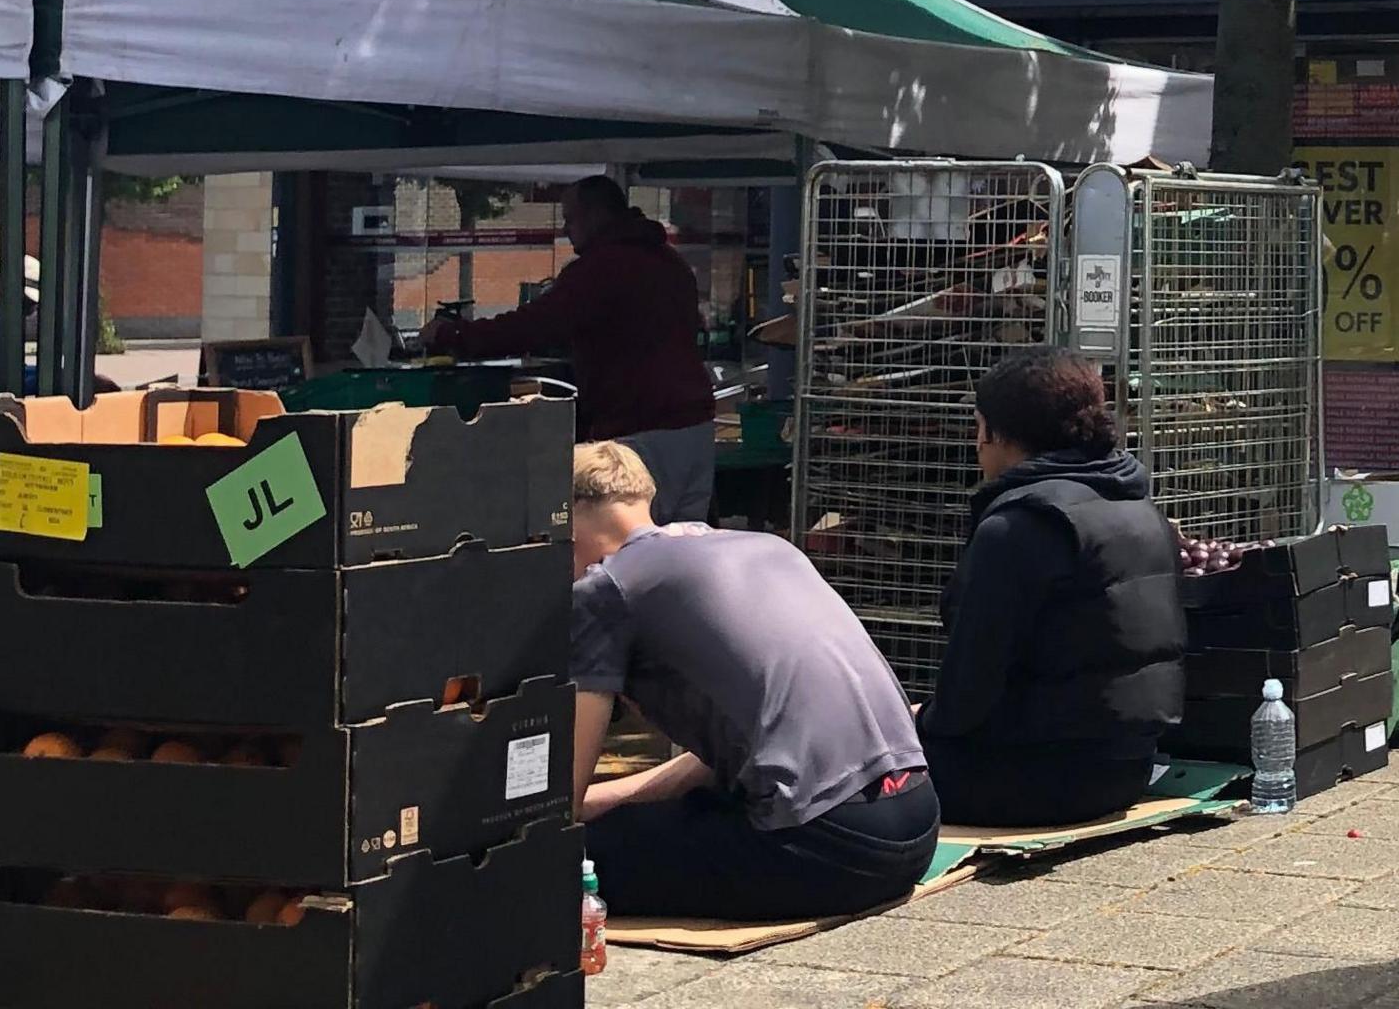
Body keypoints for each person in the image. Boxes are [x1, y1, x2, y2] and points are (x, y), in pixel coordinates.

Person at [565, 441, 940, 922]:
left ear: (566, 519)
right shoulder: (770, 549)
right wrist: (609, 798)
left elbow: (563, 801)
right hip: (914, 824)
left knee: (555, 862)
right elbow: (750, 749)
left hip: (826, 850)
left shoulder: (605, 589)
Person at [919, 349, 1185, 828]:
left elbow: (966, 696)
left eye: (979, 427)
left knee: (850, 769)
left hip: (1028, 778)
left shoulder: (1018, 527)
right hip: (1128, 768)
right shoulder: (1139, 507)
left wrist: (915, 724)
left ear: (996, 433)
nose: (977, 445)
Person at [423, 178, 719, 521]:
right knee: (684, 547)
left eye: (570, 219)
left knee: (630, 546)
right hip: (694, 427)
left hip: (641, 427)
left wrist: (454, 335)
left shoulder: (603, 267)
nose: (566, 231)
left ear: (595, 216)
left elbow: (536, 324)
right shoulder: (671, 263)